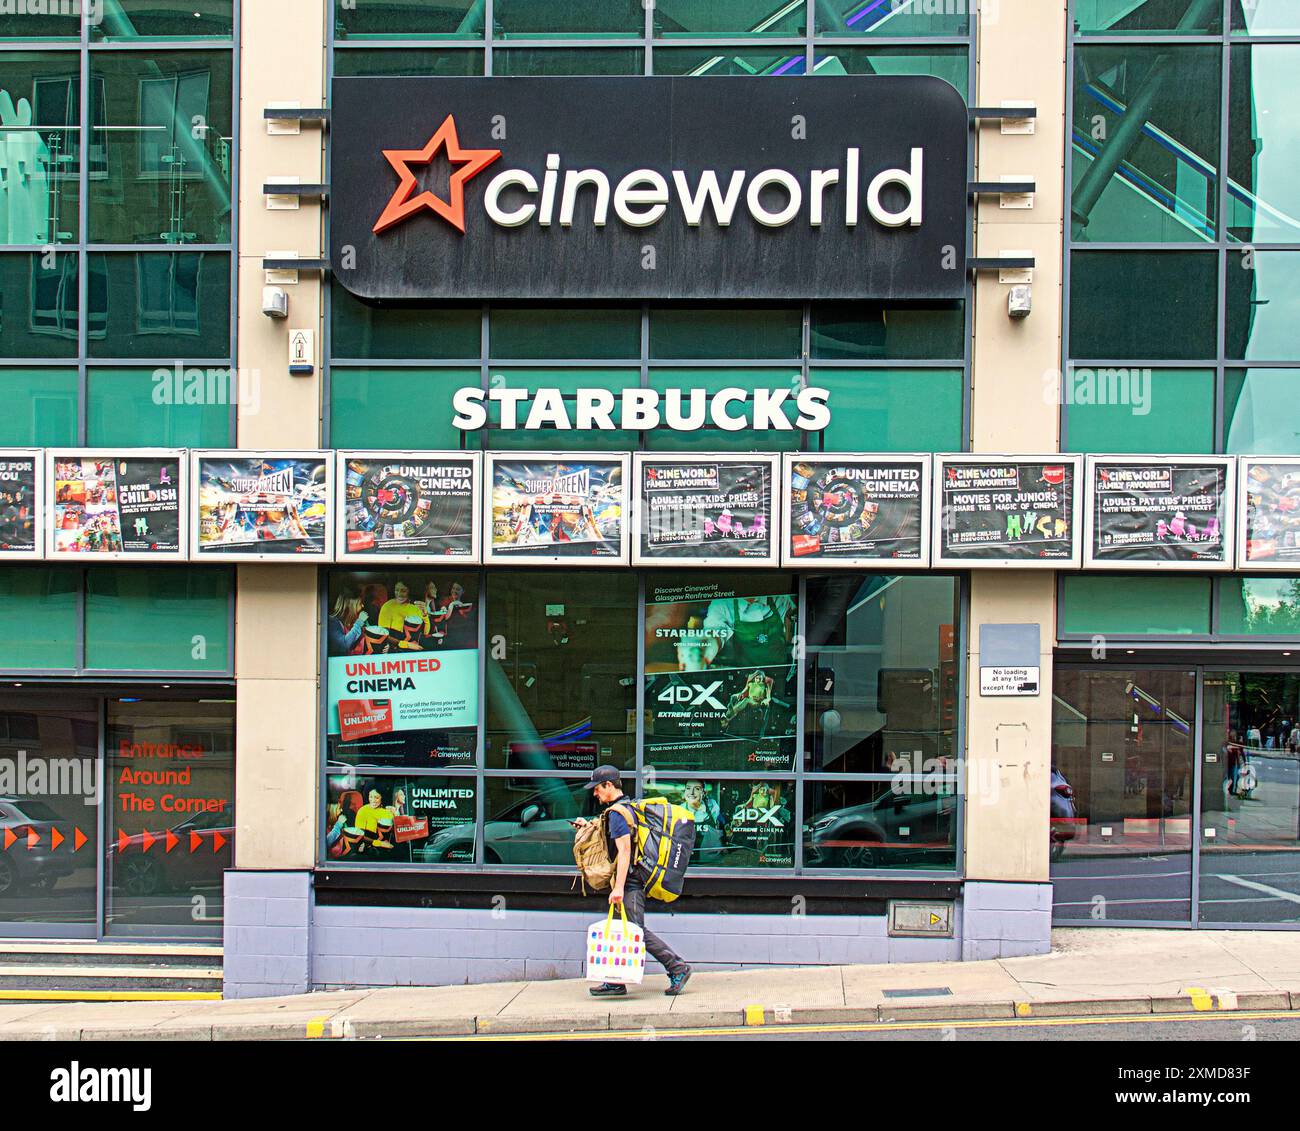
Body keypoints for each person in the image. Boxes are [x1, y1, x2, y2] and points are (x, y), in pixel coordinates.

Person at [575, 765, 691, 998]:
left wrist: (618, 887)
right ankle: (615, 981)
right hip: (627, 880)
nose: (595, 794)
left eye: (597, 789)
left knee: (634, 930)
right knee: (621, 929)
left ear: (609, 785)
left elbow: (625, 849)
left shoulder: (618, 813)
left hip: (629, 882)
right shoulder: (626, 807)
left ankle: (677, 967)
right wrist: (587, 827)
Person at [327, 585, 369, 655]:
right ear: (350, 606)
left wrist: (381, 646)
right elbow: (344, 645)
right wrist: (359, 622)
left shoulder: (355, 621)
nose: (362, 606)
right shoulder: (332, 622)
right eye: (360, 603)